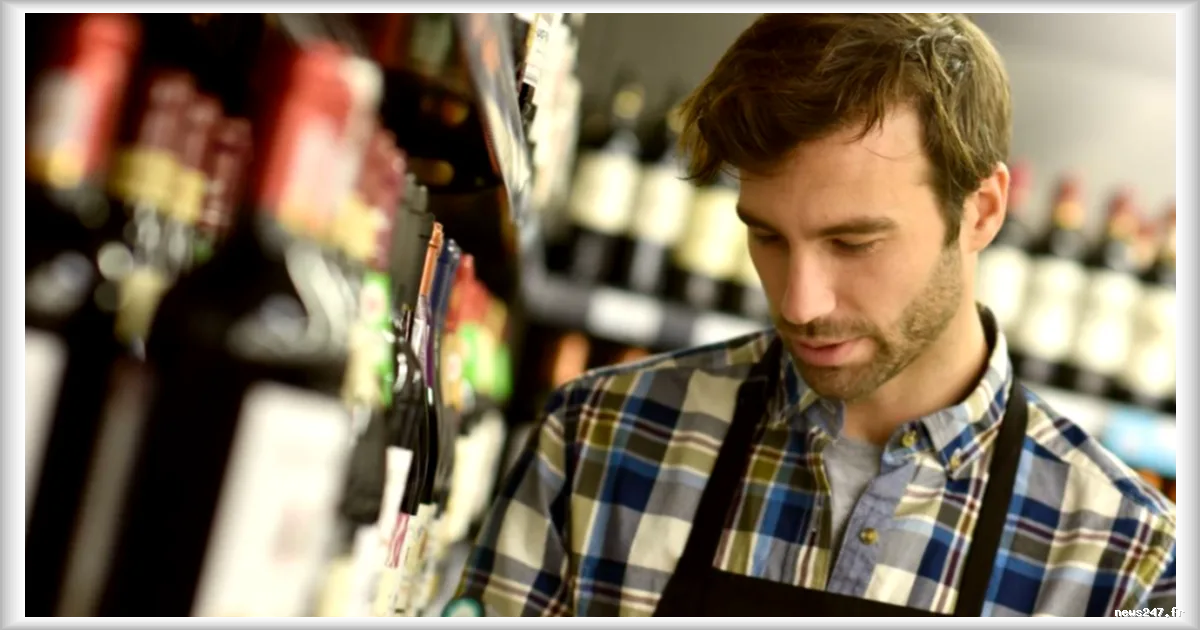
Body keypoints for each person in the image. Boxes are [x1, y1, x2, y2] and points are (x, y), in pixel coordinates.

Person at [448, 12, 1177, 617]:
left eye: (853, 242)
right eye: (765, 234)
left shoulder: (1127, 559)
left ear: (981, 211)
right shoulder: (598, 438)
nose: (799, 303)